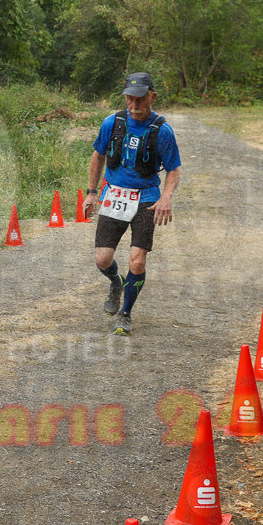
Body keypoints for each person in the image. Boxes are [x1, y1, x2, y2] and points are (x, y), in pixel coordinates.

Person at [82, 72, 181, 336]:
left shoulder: (162, 131)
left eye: (140, 99)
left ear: (153, 97)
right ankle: (116, 283)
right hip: (114, 195)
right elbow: (97, 156)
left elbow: (173, 169)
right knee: (102, 259)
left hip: (146, 199)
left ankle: (125, 314)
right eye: (129, 99)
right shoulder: (112, 123)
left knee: (137, 262)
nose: (134, 105)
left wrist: (166, 197)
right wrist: (92, 192)